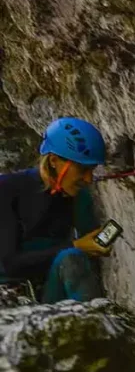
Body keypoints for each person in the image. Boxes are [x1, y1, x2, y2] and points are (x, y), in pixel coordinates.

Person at [0, 117, 109, 304]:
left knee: (73, 259)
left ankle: (99, 324)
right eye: (83, 169)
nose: (89, 179)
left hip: (51, 293)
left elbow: (83, 262)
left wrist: (92, 246)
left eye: (92, 170)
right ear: (53, 161)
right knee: (72, 254)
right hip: (11, 299)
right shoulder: (7, 190)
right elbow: (9, 265)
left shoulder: (79, 197)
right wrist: (76, 246)